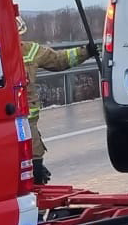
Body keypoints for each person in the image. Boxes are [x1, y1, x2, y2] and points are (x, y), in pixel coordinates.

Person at [18, 15, 85, 185]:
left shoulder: (29, 50)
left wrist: (87, 51)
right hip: (14, 124)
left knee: (33, 163)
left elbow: (59, 60)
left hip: (25, 124)